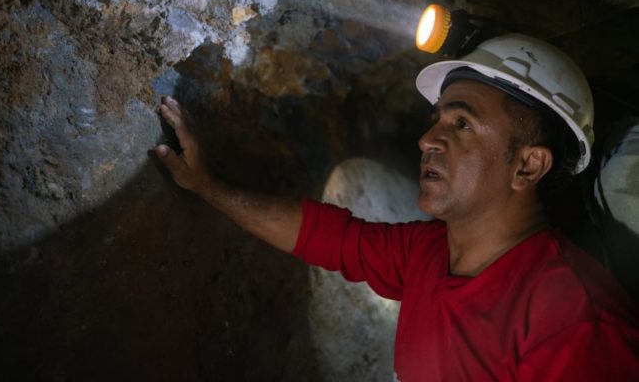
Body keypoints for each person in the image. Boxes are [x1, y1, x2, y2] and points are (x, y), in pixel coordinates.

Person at [155, 34, 639, 380]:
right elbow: (326, 235)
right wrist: (208, 186)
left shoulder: (576, 323)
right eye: (437, 120)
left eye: (462, 124)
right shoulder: (426, 254)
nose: (429, 138)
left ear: (528, 166)